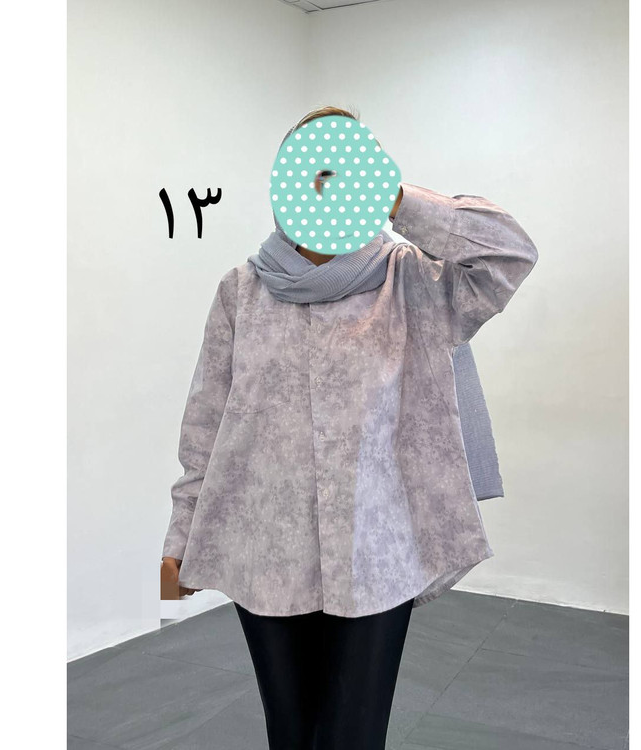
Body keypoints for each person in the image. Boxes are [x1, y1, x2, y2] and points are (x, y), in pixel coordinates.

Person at [160, 105, 539, 749]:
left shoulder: (415, 281)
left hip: (376, 554)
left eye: (342, 171)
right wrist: (180, 539)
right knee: (290, 733)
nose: (325, 188)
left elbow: (510, 252)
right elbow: (207, 424)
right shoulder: (240, 291)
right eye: (310, 172)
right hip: (263, 550)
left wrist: (398, 199)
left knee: (354, 735)